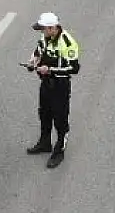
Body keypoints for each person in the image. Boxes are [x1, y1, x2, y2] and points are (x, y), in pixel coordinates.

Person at [25, 12, 80, 169]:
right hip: (46, 83)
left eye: (43, 29)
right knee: (44, 114)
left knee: (60, 119)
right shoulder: (45, 37)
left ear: (51, 28)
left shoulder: (67, 43)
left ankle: (59, 150)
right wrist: (33, 60)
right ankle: (45, 142)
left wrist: (50, 70)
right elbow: (38, 50)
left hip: (60, 86)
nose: (41, 32)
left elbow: (73, 68)